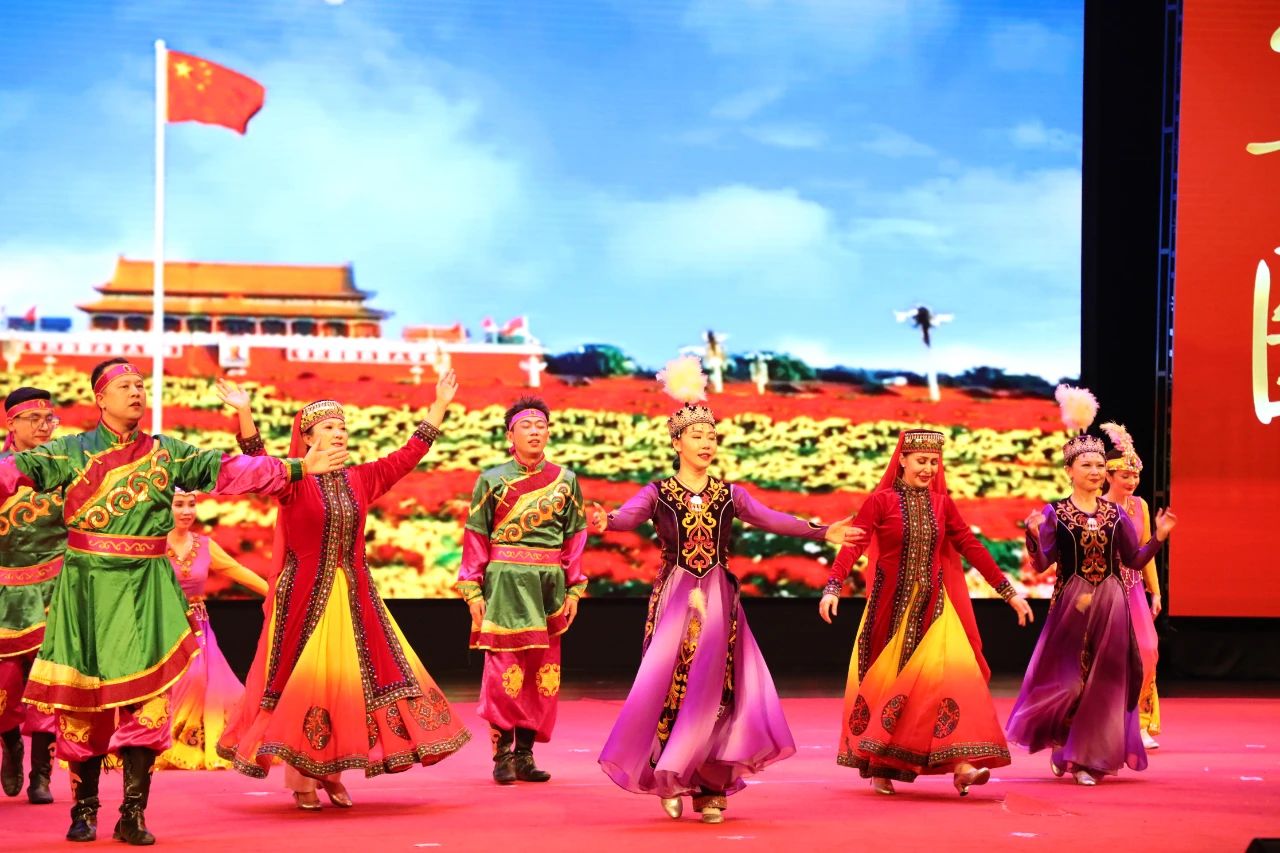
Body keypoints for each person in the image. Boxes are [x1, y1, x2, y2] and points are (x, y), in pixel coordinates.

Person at [0, 358, 345, 845]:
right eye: (124, 385)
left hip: (146, 590)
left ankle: (133, 812)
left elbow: (225, 469)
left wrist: (296, 467)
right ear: (100, 398)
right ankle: (85, 809)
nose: (136, 392)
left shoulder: (167, 453)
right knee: (84, 703)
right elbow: (14, 469)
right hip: (86, 591)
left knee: (148, 707)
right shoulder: (69, 452)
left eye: (140, 385)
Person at [591, 356, 860, 824]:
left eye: (712, 436)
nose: (707, 442)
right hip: (675, 599)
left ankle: (711, 786)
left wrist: (821, 532)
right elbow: (627, 517)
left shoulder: (730, 494)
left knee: (719, 689)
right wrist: (605, 521)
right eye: (698, 435)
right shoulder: (658, 493)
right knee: (671, 686)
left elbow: (772, 518)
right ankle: (669, 774)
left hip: (717, 600)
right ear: (676, 442)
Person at [218, 370, 471, 810]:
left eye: (342, 427)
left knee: (347, 686)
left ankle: (330, 773)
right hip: (304, 597)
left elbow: (408, 455)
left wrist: (439, 405)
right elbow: (257, 460)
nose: (339, 434)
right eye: (329, 427)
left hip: (354, 597)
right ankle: (302, 778)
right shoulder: (293, 478)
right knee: (305, 685)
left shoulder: (361, 479)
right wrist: (244, 412)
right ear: (307, 437)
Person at [818, 428, 1034, 796]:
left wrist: (1008, 592)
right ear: (902, 460)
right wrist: (833, 586)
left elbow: (971, 546)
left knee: (950, 684)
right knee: (890, 688)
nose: (928, 469)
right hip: (889, 611)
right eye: (921, 461)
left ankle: (962, 765)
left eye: (934, 462)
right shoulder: (880, 502)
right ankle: (880, 765)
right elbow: (854, 545)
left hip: (935, 611)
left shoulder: (942, 504)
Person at [1005, 386, 1176, 786]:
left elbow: (1133, 561)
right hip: (1072, 605)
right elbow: (1043, 563)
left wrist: (1159, 538)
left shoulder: (1116, 513)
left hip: (1112, 604)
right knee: (1069, 684)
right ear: (1070, 470)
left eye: (1100, 465)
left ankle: (1087, 760)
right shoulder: (1056, 512)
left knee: (1105, 685)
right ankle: (1063, 741)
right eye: (1087, 465)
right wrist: (1033, 535)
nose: (1096, 471)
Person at [454, 396, 587, 785]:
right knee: (504, 671)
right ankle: (502, 755)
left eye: (541, 426)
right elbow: (476, 534)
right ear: (510, 436)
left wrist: (574, 588)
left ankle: (525, 756)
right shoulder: (491, 480)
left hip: (549, 585)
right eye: (526, 426)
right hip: (506, 584)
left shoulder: (566, 480)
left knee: (542, 671)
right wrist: (472, 589)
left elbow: (575, 535)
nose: (535, 432)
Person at [156, 489, 268, 770]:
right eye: (179, 505)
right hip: (161, 626)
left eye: (191, 505)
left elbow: (237, 571)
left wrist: (276, 593)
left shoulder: (204, 545)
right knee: (176, 682)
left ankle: (188, 744)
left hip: (196, 626)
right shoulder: (152, 545)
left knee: (199, 680)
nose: (186, 512)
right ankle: (161, 742)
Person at [0, 388, 62, 806]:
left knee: (48, 684)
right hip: (5, 591)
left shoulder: (63, 468)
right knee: (5, 684)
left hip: (54, 590)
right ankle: (10, 744)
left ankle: (42, 773)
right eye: (34, 419)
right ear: (11, 424)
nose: (43, 426)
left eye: (49, 418)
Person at [1100, 422, 1162, 749]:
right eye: (1125, 475)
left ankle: (1140, 722)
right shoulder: (1095, 508)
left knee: (1147, 651)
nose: (1132, 481)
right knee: (1108, 658)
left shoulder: (1140, 506)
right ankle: (1104, 723)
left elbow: (1145, 550)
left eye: (1135, 476)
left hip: (1134, 588)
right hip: (1104, 589)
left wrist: (1156, 590)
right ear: (1108, 475)